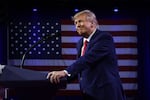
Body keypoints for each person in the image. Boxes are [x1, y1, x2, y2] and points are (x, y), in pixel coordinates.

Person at [47, 9, 126, 100]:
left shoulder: (104, 38)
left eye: (80, 21)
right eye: (75, 23)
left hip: (106, 93)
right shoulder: (80, 43)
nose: (77, 25)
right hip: (88, 94)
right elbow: (81, 68)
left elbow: (88, 59)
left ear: (92, 23)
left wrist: (65, 72)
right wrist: (60, 80)